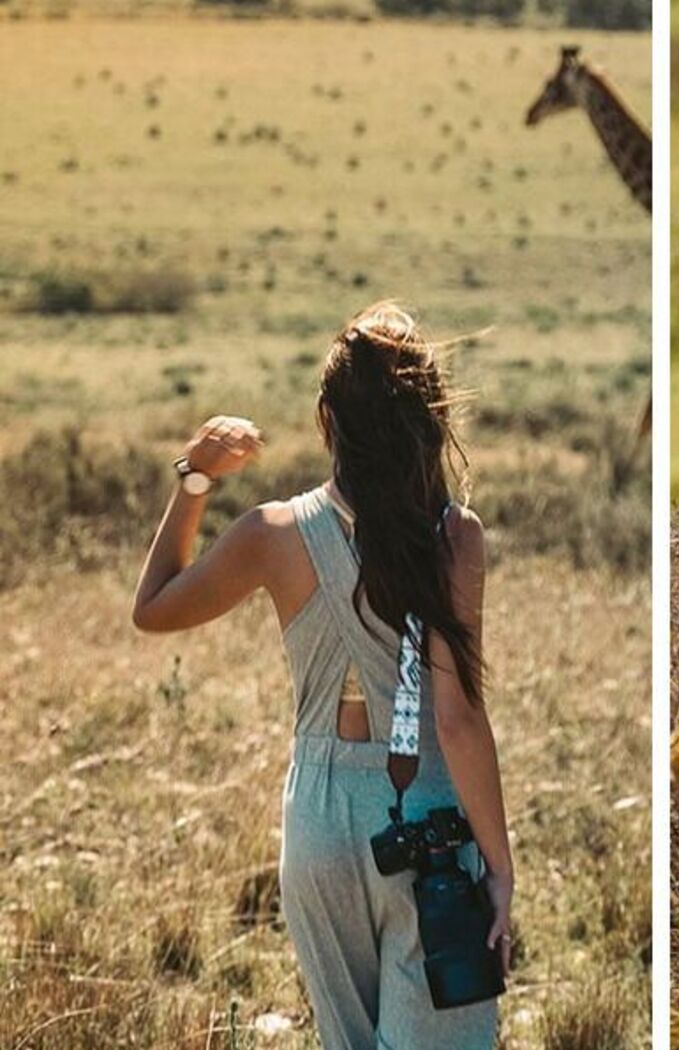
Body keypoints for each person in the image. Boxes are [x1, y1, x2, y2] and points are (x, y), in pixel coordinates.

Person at [131, 301, 512, 1048]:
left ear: (329, 421)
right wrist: (500, 867)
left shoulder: (275, 534)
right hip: (425, 817)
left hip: (315, 824)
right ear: (427, 424)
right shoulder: (454, 538)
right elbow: (457, 720)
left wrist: (196, 477)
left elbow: (153, 610)